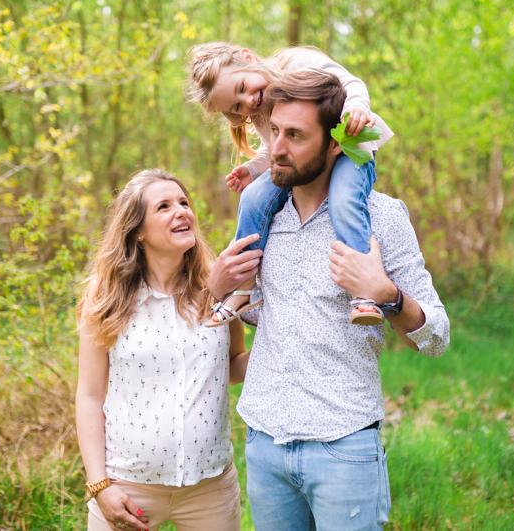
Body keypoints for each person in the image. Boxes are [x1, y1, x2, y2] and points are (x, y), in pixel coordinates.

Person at [207, 70, 451, 530]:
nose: (276, 148)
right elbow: (261, 313)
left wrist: (388, 295)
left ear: (336, 143)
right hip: (265, 442)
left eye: (295, 136)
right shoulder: (262, 216)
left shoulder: (382, 219)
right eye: (274, 131)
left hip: (344, 448)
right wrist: (217, 288)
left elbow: (437, 338)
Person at [75, 169, 249, 531]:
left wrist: (283, 347)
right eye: (164, 206)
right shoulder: (107, 299)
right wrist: (99, 486)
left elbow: (232, 365)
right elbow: (90, 396)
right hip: (127, 485)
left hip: (209, 488)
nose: (181, 211)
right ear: (138, 230)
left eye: (184, 203)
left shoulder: (218, 288)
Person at [186, 42, 395, 327]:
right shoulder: (258, 111)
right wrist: (253, 169)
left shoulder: (297, 62)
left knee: (344, 200)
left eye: (243, 86)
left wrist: (357, 107)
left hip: (349, 148)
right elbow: (272, 148)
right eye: (236, 106)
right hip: (302, 164)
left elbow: (351, 82)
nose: (247, 101)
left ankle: (363, 293)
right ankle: (245, 288)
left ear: (248, 58)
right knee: (252, 199)